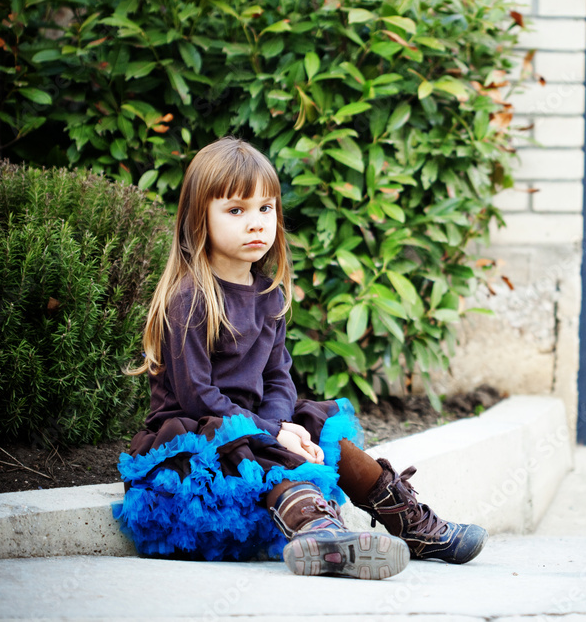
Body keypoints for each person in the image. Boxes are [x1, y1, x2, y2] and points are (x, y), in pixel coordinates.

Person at [115, 137, 487, 579]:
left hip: (256, 424)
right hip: (201, 436)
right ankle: (319, 533)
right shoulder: (190, 299)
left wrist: (286, 426)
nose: (255, 223)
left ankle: (409, 523)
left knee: (326, 431)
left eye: (265, 209)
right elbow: (197, 397)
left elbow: (278, 380)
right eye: (235, 211)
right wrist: (274, 434)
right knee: (251, 447)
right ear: (200, 219)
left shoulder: (268, 295)